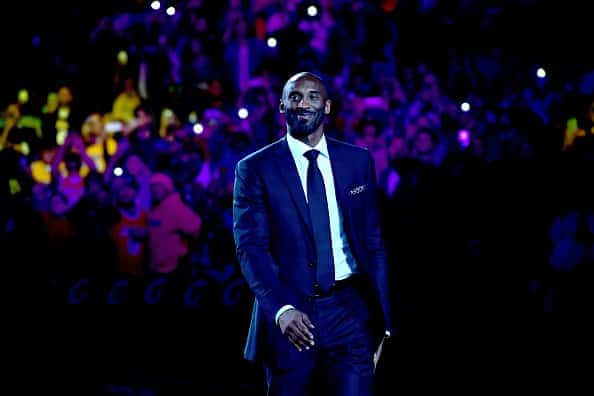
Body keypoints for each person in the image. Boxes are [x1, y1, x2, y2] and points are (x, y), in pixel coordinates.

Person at [233, 72, 392, 395]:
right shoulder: (255, 168)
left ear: (328, 106)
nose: (303, 103)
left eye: (312, 96)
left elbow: (373, 243)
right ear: (282, 106)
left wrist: (382, 323)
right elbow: (251, 248)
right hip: (293, 315)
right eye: (294, 96)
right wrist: (281, 309)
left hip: (351, 311)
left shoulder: (357, 161)